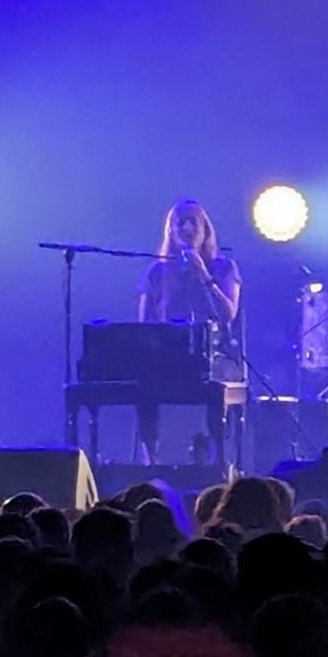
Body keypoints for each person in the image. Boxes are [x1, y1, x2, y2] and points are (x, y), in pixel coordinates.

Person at [132, 200, 243, 466]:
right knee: (141, 383)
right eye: (180, 222)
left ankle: (218, 462)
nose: (188, 227)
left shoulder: (224, 267)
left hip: (216, 356)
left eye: (194, 221)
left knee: (216, 382)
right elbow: (143, 324)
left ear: (206, 230)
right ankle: (151, 461)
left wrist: (203, 274)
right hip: (169, 357)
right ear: (171, 230)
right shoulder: (158, 271)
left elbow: (228, 313)